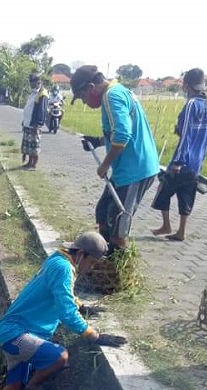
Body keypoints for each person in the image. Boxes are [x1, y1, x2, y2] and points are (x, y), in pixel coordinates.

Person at [0, 232, 127, 390]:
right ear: (80, 254)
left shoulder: (58, 260)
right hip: (17, 334)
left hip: (12, 332)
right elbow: (66, 311)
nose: (92, 268)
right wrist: (94, 335)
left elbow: (62, 293)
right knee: (59, 356)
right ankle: (33, 386)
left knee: (14, 386)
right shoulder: (63, 268)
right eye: (92, 262)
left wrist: (82, 306)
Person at [71, 65, 159, 252]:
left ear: (91, 88)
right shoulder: (114, 93)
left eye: (82, 97)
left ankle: (116, 262)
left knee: (119, 221)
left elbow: (122, 136)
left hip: (135, 170)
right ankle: (101, 254)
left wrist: (104, 165)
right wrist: (98, 141)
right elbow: (117, 133)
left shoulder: (112, 96)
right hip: (125, 169)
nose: (85, 103)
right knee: (103, 211)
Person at [151, 68, 207, 242]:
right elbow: (206, 134)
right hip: (196, 161)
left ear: (186, 86)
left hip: (183, 160)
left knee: (163, 188)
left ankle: (166, 225)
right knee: (186, 193)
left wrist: (178, 161)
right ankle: (181, 231)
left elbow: (186, 134)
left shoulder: (191, 104)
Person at [21, 74, 49, 169]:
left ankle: (34, 164)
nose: (31, 84)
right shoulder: (33, 93)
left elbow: (42, 110)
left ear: (38, 82)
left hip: (34, 124)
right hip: (28, 122)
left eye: (32, 82)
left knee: (34, 145)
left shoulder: (42, 94)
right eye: (30, 82)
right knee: (29, 145)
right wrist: (24, 120)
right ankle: (29, 162)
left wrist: (38, 124)